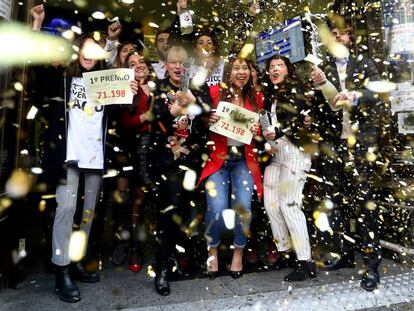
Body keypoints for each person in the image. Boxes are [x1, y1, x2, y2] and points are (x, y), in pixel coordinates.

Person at [36, 32, 138, 302]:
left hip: (94, 157)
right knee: (67, 208)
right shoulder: (62, 80)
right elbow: (39, 75)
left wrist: (128, 96)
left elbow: (114, 116)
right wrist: (36, 27)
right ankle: (61, 268)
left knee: (88, 213)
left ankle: (76, 259)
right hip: (68, 157)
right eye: (85, 50)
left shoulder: (102, 83)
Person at [311, 22, 382, 291]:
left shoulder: (364, 62)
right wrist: (318, 88)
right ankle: (343, 252)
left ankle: (372, 264)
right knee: (335, 200)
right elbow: (321, 111)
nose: (337, 37)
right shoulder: (324, 68)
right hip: (333, 144)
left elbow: (377, 92)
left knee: (364, 202)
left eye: (341, 33)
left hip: (360, 143)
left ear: (350, 37)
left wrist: (355, 94)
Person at [150, 45, 211, 296]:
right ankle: (163, 268)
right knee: (169, 211)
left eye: (182, 63)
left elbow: (208, 112)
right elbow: (151, 119)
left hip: (192, 160)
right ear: (165, 65)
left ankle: (182, 258)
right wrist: (172, 110)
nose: (178, 67)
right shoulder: (159, 87)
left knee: (189, 211)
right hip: (166, 162)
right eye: (173, 63)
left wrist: (193, 101)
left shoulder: (198, 87)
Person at [199, 57, 263, 279]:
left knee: (243, 207)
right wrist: (208, 118)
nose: (241, 72)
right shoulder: (215, 92)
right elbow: (200, 120)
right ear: (228, 72)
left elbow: (262, 132)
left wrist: (258, 130)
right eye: (236, 68)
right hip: (218, 159)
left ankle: (238, 252)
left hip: (243, 161)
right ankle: (213, 249)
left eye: (245, 68)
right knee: (216, 207)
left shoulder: (256, 97)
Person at [261, 55, 317, 281]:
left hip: (295, 153)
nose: (275, 69)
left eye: (279, 65)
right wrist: (267, 142)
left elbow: (303, 123)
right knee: (271, 204)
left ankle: (306, 262)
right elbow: (266, 126)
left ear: (288, 70)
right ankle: (286, 251)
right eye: (271, 66)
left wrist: (281, 133)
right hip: (276, 154)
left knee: (289, 205)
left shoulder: (297, 91)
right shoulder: (269, 96)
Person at [120, 51, 155, 273]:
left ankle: (165, 250)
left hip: (160, 148)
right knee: (138, 201)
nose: (138, 65)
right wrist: (143, 118)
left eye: (141, 61)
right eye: (132, 64)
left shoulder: (161, 87)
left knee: (160, 200)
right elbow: (123, 123)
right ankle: (135, 248)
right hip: (138, 148)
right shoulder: (126, 90)